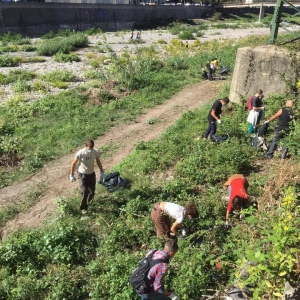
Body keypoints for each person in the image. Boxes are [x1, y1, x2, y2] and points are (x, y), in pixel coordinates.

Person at [70, 139, 104, 215]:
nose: (90, 150)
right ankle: (84, 208)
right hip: (82, 174)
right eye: (89, 149)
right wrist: (71, 175)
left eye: (92, 148)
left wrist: (102, 171)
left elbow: (98, 161)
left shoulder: (95, 152)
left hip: (91, 174)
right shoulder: (80, 153)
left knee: (92, 192)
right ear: (85, 146)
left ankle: (90, 204)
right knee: (85, 191)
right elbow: (73, 163)